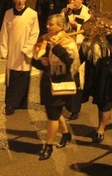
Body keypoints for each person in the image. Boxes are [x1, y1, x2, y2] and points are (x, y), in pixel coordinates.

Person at [32, 14, 78, 161]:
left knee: (52, 114)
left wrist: (56, 46)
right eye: (48, 23)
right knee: (53, 111)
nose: (48, 26)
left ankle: (48, 146)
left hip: (60, 80)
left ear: (60, 26)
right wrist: (41, 61)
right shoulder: (45, 39)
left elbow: (69, 60)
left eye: (51, 24)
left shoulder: (67, 42)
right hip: (47, 79)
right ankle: (66, 134)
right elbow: (37, 59)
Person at [80, 22, 112, 143]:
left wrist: (107, 33)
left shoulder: (110, 40)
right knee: (100, 101)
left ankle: (101, 129)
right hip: (94, 75)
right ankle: (108, 121)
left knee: (105, 101)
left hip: (107, 76)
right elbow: (81, 57)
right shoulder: (87, 42)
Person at [0, 0, 40, 115]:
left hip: (25, 50)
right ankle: (10, 104)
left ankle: (21, 103)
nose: (20, 1)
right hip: (12, 50)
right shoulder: (8, 13)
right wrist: (3, 50)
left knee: (23, 76)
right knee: (12, 77)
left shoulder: (32, 14)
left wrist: (28, 48)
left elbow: (35, 32)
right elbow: (4, 32)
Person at [63, 0, 91, 120]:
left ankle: (75, 108)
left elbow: (89, 31)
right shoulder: (66, 12)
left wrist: (77, 27)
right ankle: (67, 103)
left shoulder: (88, 14)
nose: (72, 2)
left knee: (78, 80)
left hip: (80, 49)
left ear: (81, 0)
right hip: (68, 48)